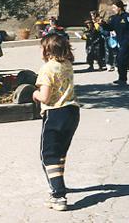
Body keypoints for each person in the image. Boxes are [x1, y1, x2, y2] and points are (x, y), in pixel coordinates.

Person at [32, 33, 80, 211]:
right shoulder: (66, 64)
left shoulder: (47, 68)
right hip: (72, 112)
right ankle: (57, 187)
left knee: (48, 155)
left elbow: (44, 97)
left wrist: (34, 94)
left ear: (47, 50)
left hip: (55, 113)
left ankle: (59, 195)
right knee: (60, 153)